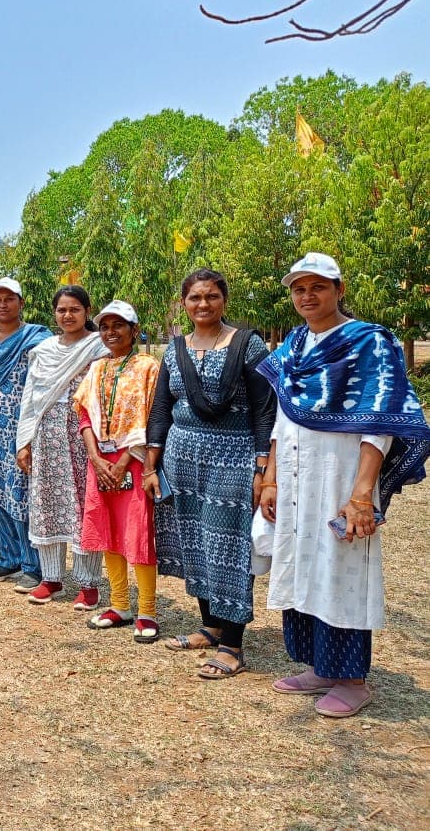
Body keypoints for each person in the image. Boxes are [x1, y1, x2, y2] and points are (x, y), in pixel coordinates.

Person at [256, 252, 430, 717]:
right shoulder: (293, 344)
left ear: (339, 289)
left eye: (317, 286)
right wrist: (270, 477)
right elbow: (281, 417)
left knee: (342, 568)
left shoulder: (370, 341)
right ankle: (320, 667)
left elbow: (381, 420)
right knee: (302, 564)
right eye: (299, 288)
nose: (307, 296)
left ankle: (353, 679)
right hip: (294, 477)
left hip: (342, 476)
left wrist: (361, 494)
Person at [142, 270, 276, 678]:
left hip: (233, 457)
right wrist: (151, 464)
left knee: (229, 545)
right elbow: (161, 407)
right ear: (184, 303)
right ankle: (210, 627)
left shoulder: (248, 344)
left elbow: (265, 407)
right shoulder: (174, 348)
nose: (204, 304)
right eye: (195, 297)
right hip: (181, 458)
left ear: (224, 300)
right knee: (194, 542)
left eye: (212, 296)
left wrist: (261, 466)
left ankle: (233, 645)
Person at [74, 300, 162, 643]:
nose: (111, 332)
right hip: (101, 462)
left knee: (138, 534)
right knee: (108, 531)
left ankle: (147, 611)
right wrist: (95, 458)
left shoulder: (148, 367)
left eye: (119, 325)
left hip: (135, 463)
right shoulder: (96, 369)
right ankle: (120, 604)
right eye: (105, 326)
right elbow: (84, 415)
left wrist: (126, 460)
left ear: (134, 330)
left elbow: (153, 416)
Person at [15, 285, 108, 608]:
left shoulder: (98, 347)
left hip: (85, 439)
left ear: (86, 312)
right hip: (47, 440)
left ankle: (88, 583)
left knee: (83, 508)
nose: (67, 315)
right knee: (48, 505)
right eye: (61, 310)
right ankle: (51, 579)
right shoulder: (43, 351)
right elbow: (30, 399)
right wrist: (23, 443)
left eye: (74, 309)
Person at [0, 277, 51, 590]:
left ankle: (33, 564)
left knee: (21, 493)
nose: (2, 305)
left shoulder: (35, 337)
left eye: (9, 299)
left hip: (22, 429)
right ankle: (8, 558)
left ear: (21, 302)